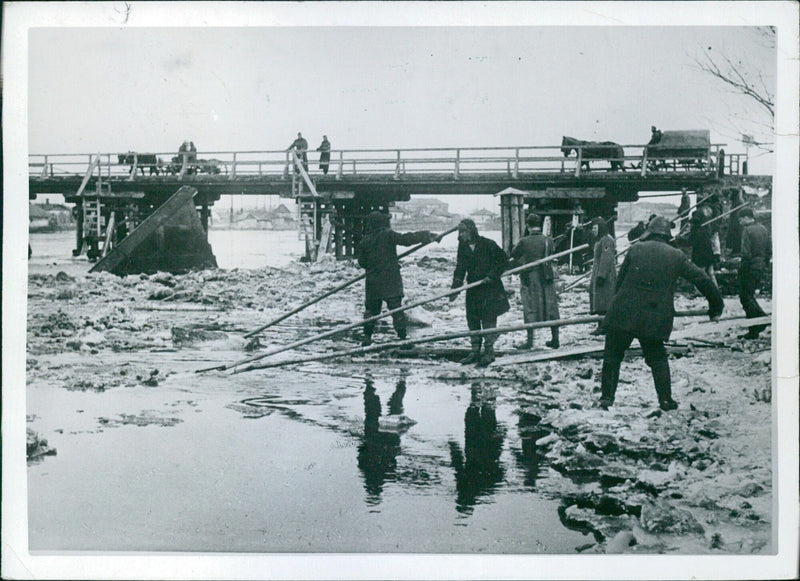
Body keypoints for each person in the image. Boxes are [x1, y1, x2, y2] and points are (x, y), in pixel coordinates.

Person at [597, 216, 723, 412]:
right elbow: (702, 279)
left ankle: (606, 399)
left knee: (612, 356)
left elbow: (620, 282)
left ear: (650, 232)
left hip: (624, 312)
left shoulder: (635, 249)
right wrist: (716, 306)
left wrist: (614, 308)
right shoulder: (677, 255)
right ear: (667, 235)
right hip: (654, 316)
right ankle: (665, 401)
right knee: (657, 359)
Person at [356, 211, 438, 347]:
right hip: (390, 279)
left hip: (373, 281)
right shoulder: (388, 234)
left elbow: (362, 263)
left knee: (371, 310)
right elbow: (406, 239)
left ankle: (367, 337)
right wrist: (426, 235)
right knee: (396, 310)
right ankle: (402, 337)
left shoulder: (365, 240)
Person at [450, 218, 510, 366]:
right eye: (460, 232)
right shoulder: (463, 247)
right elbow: (460, 268)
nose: (462, 235)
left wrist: (492, 275)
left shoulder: (488, 244)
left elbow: (503, 260)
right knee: (472, 318)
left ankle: (489, 352)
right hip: (473, 289)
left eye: (464, 231)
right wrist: (455, 288)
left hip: (490, 288)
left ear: (471, 231)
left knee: (488, 318)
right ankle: (475, 351)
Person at [509, 214, 560, 350]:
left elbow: (514, 254)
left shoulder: (524, 241)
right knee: (551, 307)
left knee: (530, 308)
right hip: (547, 277)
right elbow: (552, 252)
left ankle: (530, 341)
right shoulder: (548, 240)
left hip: (530, 278)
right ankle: (555, 339)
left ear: (527, 225)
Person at [737, 208, 771, 339]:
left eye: (740, 219)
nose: (739, 222)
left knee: (745, 297)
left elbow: (745, 253)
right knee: (750, 296)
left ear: (746, 217)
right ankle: (759, 323)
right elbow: (769, 249)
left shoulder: (747, 230)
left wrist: (742, 270)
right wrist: (764, 265)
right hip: (760, 266)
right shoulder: (763, 228)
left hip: (750, 266)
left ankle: (757, 324)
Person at [589, 218, 617, 335]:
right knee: (600, 300)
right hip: (599, 272)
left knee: (604, 301)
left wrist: (601, 276)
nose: (593, 231)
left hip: (605, 275)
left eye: (595, 228)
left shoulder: (606, 240)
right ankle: (601, 325)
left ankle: (604, 326)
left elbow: (606, 258)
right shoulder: (600, 240)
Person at [688, 207, 717, 287]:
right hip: (709, 254)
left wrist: (678, 239)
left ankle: (699, 291)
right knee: (711, 273)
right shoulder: (706, 228)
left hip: (700, 256)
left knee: (699, 274)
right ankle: (716, 289)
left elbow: (689, 242)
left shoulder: (695, 230)